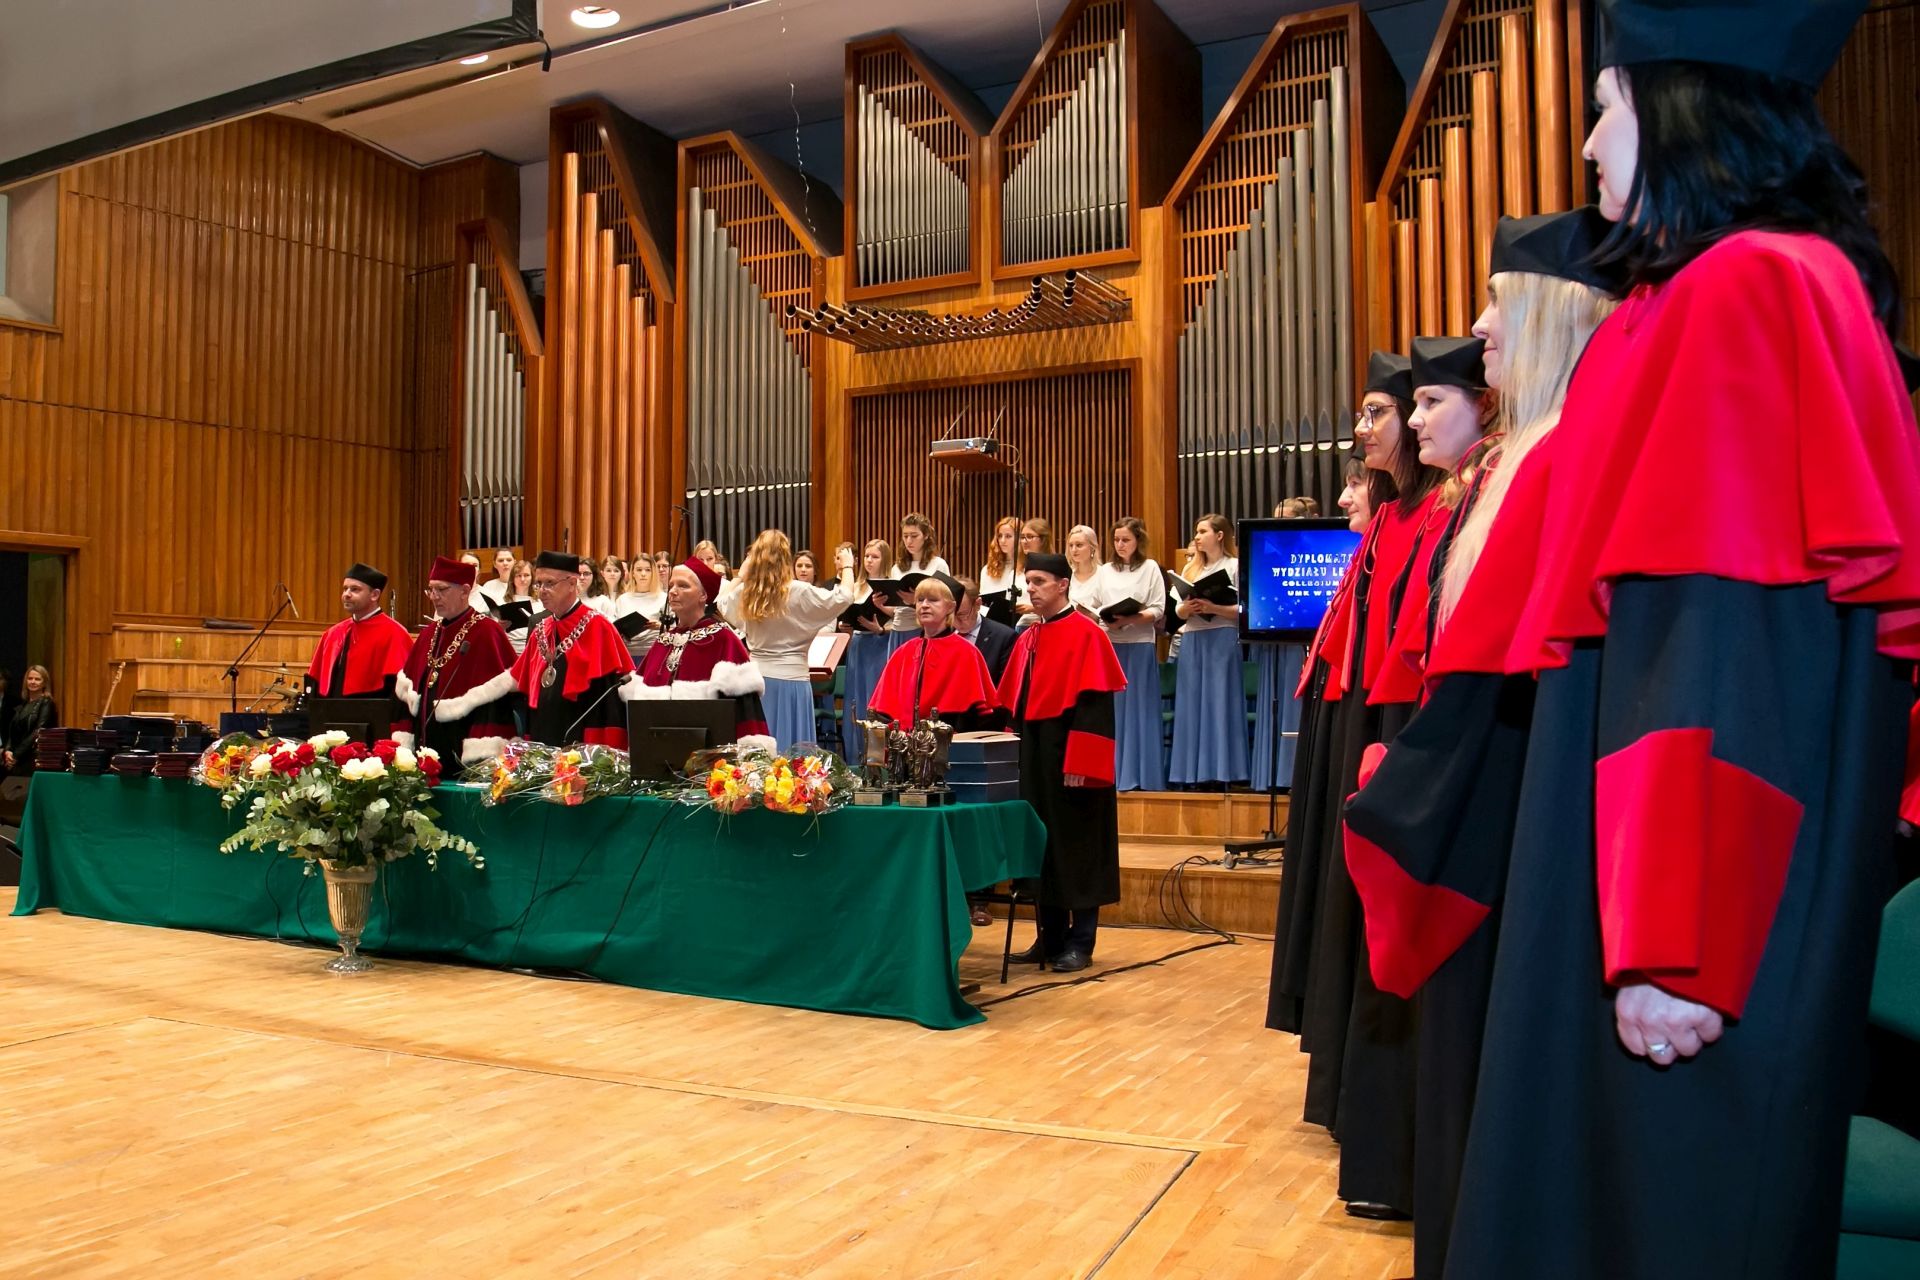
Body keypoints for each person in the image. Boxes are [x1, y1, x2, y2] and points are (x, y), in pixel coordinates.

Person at [1404, 5, 1920, 1274]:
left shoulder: (1750, 285)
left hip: (1687, 907)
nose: (1587, 145)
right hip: (1638, 874)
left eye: (1606, 108)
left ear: (1686, 105)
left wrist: (1677, 941)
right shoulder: (1717, 290)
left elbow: (1723, 632)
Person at [1342, 207, 1623, 1280]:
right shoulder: (1521, 461)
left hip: (1512, 821)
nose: (1481, 329)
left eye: (1497, 305)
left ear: (1553, 313)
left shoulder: (1554, 461)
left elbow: (1504, 680)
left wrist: (1401, 791)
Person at [1268, 348, 1442, 1220]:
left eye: (1378, 412)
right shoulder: (1387, 522)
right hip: (1357, 719)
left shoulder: (1437, 514)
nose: (1365, 428)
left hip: (1394, 722)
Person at [1000, 553, 1127, 971]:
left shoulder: (1088, 635)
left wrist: (1083, 762)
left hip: (1072, 760)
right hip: (1035, 757)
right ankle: (1050, 937)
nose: (1031, 589)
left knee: (1078, 845)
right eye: (1028, 582)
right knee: (1042, 844)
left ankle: (1081, 942)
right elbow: (1016, 706)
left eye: (1039, 581)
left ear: (1062, 585)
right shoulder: (1029, 639)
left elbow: (1095, 709)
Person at [718, 530, 852, 751]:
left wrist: (741, 576)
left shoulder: (748, 592)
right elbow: (844, 597)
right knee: (793, 755)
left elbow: (722, 602)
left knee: (760, 755)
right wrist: (847, 566)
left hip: (758, 681)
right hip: (794, 682)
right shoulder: (799, 591)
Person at [391, 556, 519, 768]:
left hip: (464, 749)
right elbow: (406, 696)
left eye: (442, 589)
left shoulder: (487, 631)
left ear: (464, 591)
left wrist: (480, 760)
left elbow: (496, 704)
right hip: (424, 747)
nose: (434, 596)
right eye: (431, 590)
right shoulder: (428, 633)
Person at [633, 557, 772, 747]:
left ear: (703, 595)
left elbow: (745, 713)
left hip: (710, 753)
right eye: (671, 585)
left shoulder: (723, 639)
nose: (673, 591)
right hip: (658, 749)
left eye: (683, 586)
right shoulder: (663, 642)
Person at [510, 550, 639, 747]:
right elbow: (529, 690)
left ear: (572, 583)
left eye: (549, 583)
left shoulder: (598, 626)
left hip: (581, 737)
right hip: (542, 734)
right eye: (539, 583)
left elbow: (607, 704)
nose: (542, 590)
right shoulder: (539, 629)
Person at [1168, 514, 1246, 788]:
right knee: (1192, 705)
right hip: (1193, 639)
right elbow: (1176, 611)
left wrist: (1214, 608)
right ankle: (1192, 773)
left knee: (1220, 702)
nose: (1197, 537)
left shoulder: (1234, 565)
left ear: (1220, 535)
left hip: (1223, 637)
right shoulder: (1191, 568)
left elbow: (1244, 610)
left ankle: (1222, 771)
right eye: (1197, 532)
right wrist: (1186, 608)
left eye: (1203, 532)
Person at [867, 576, 1003, 733]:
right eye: (920, 600)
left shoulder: (966, 652)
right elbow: (882, 709)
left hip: (952, 741)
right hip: (905, 742)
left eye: (933, 600)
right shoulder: (903, 652)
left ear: (951, 607)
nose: (924, 605)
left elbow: (981, 713)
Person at [1092, 517, 1167, 791]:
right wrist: (1104, 618)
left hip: (1139, 644)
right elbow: (1095, 605)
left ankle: (1142, 775)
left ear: (1138, 541)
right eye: (1116, 540)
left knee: (1139, 711)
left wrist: (1130, 619)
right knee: (1113, 711)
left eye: (1126, 540)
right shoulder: (1104, 571)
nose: (1120, 545)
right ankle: (1111, 773)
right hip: (1111, 645)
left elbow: (1158, 608)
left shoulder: (1150, 568)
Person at [304, 564, 413, 699]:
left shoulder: (395, 633)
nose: (346, 594)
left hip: (373, 709)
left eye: (355, 589)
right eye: (345, 589)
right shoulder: (333, 633)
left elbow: (398, 690)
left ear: (374, 595)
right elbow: (317, 684)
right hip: (332, 709)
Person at [839, 539, 895, 763]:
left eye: (875, 557)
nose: (869, 561)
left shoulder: (889, 588)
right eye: (867, 556)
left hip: (879, 645)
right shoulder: (856, 586)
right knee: (855, 700)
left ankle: (876, 759)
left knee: (873, 700)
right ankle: (855, 758)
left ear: (885, 559)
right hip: (858, 645)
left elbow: (899, 620)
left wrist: (879, 628)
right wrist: (845, 626)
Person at [953, 574, 1017, 684]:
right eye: (950, 615)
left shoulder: (1004, 637)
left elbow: (1006, 686)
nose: (956, 621)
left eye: (962, 615)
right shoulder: (939, 634)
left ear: (978, 604)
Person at [1, 665, 57, 777]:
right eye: (30, 678)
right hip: (18, 759)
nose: (33, 682)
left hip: (34, 758)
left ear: (44, 683)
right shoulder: (23, 704)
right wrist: (8, 750)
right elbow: (12, 730)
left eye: (37, 679)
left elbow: (38, 731)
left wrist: (16, 754)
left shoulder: (46, 703)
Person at [978, 515, 1026, 627]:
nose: (1002, 541)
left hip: (1021, 623)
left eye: (1008, 536)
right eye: (1000, 536)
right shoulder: (987, 570)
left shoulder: (1027, 568)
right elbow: (983, 603)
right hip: (992, 624)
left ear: (1020, 538)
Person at [1013, 518, 1053, 623]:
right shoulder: (1016, 571)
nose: (1024, 541)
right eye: (1022, 537)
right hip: (1019, 625)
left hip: (1044, 623)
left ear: (1043, 540)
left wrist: (1033, 609)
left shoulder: (1053, 569)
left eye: (1030, 537)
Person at [1064, 525, 1103, 615]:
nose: (1074, 550)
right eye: (1071, 545)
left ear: (1092, 547)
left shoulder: (1104, 574)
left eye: (1079, 545)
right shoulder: (1066, 574)